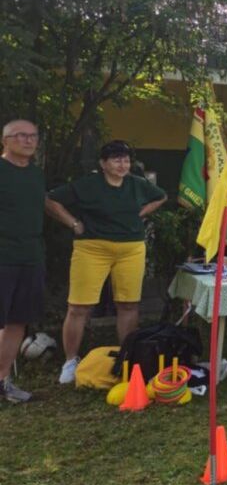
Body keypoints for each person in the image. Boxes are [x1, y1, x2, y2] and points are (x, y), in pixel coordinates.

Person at [46, 140, 167, 384]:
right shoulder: (88, 184)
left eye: (126, 160)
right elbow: (51, 200)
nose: (123, 164)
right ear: (103, 163)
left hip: (131, 249)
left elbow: (161, 196)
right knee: (78, 306)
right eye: (116, 159)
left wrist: (141, 213)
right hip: (92, 248)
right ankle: (70, 361)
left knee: (129, 304)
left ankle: (127, 356)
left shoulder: (137, 184)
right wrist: (74, 223)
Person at [0, 120, 49, 404]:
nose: (29, 140)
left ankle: (3, 380)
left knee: (18, 321)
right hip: (3, 257)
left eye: (33, 136)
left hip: (31, 257)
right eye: (21, 136)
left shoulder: (35, 174)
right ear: (5, 140)